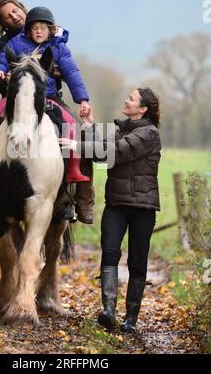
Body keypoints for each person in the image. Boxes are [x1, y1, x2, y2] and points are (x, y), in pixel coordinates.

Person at [0, 0, 95, 223]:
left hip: (49, 98)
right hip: (13, 100)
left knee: (79, 132)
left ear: (23, 10)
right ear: (2, 21)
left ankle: (83, 198)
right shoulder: (8, 44)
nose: (13, 16)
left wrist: (82, 99)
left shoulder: (57, 44)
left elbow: (72, 73)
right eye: (7, 15)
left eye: (15, 11)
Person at [59, 87, 161, 333]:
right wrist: (88, 125)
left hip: (142, 207)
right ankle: (108, 311)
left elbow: (114, 152)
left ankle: (131, 320)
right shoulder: (122, 130)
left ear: (143, 108)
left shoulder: (149, 134)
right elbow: (101, 152)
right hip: (116, 204)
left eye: (132, 99)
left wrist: (74, 144)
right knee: (110, 254)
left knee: (137, 262)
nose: (126, 100)